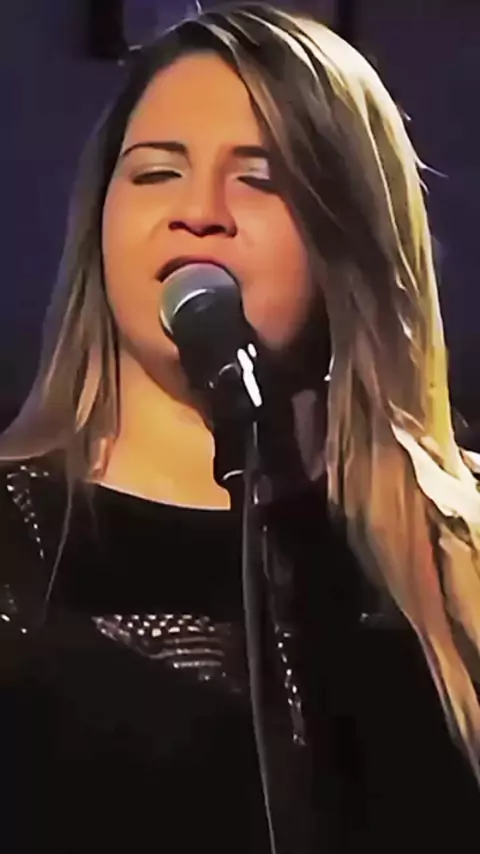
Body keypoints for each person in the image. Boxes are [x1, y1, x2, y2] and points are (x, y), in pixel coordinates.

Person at [1, 3, 480, 852]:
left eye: (259, 179)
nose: (199, 212)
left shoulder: (458, 550)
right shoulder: (15, 543)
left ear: (350, 231)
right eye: (156, 173)